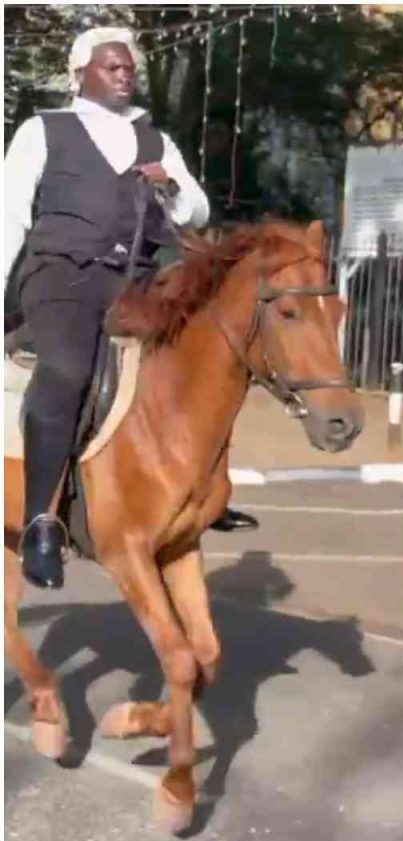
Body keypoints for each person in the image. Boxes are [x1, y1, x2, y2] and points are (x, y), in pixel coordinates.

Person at [2, 27, 259, 590]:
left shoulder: (155, 141)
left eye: (129, 68)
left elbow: (197, 211)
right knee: (67, 370)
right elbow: (10, 215)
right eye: (112, 67)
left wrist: (171, 186)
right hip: (61, 277)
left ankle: (203, 493)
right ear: (80, 75)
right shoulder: (43, 131)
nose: (125, 75)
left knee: (198, 362)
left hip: (136, 281)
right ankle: (42, 520)